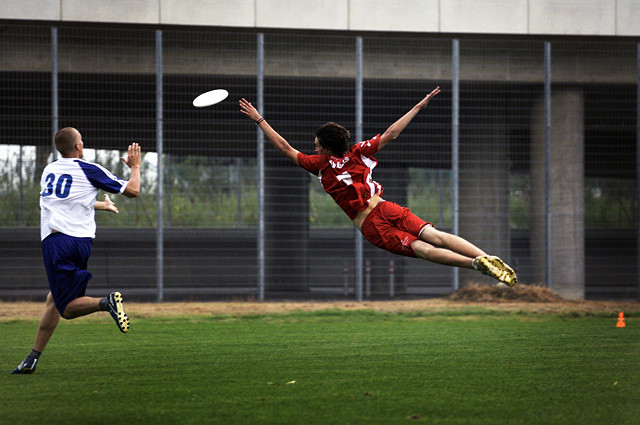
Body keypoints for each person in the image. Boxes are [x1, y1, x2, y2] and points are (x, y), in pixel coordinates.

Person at [239, 87, 517, 286]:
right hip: (387, 207)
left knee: (423, 249)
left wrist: (259, 120)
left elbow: (284, 147)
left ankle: (474, 265)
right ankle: (486, 257)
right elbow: (392, 134)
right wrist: (419, 106)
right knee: (436, 234)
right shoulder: (359, 152)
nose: (313, 146)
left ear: (324, 147)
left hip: (372, 224)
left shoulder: (319, 165)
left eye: (316, 143)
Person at [11, 127, 141, 374]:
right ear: (78, 147)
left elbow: (59, 202)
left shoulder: (49, 170)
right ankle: (32, 358)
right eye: (81, 140)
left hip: (57, 242)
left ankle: (106, 303)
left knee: (68, 308)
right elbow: (133, 191)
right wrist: (135, 167)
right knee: (54, 299)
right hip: (81, 242)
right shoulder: (89, 169)